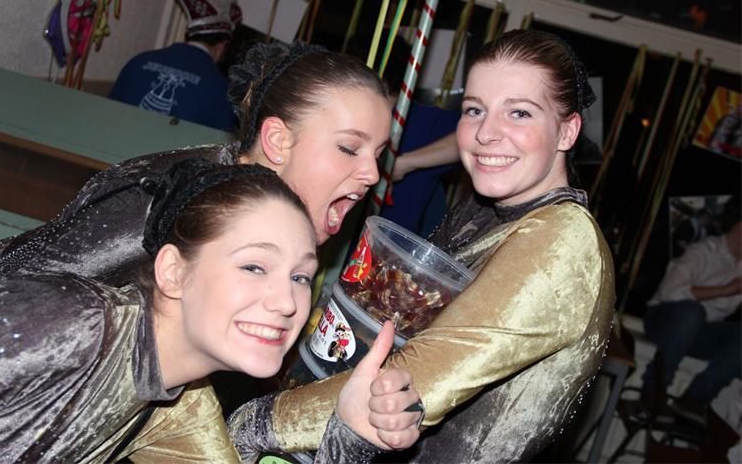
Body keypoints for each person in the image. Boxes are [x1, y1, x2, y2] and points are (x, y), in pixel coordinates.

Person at [226, 29, 617, 463]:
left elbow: (413, 378)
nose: (486, 133)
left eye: (519, 113)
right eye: (474, 110)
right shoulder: (481, 211)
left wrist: (253, 423)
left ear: (567, 131)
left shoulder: (563, 240)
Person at [0, 162, 421, 462]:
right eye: (254, 267)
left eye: (300, 277)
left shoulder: (177, 406)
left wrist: (352, 434)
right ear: (174, 272)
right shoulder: (75, 323)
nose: (287, 303)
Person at [0, 41, 391, 282]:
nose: (372, 174)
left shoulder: (267, 220)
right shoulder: (168, 205)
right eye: (348, 148)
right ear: (277, 141)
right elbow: (26, 284)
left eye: (378, 154)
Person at [641, 195, 741, 423]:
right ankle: (653, 390)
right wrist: (727, 290)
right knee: (693, 313)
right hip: (663, 320)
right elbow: (669, 292)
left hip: (700, 333)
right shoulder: (705, 250)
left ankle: (695, 399)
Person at [108, 0, 241, 131]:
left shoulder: (138, 63)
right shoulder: (221, 91)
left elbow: (107, 119)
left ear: (187, 34)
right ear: (222, 45)